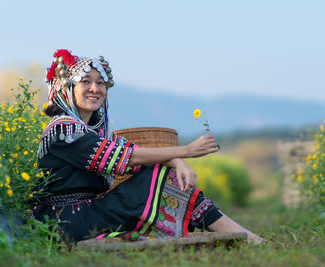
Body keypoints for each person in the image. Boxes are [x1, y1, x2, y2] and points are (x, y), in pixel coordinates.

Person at [32, 49, 262, 244]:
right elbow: (127, 156)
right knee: (162, 182)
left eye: (100, 83)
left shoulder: (92, 131)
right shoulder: (63, 131)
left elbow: (135, 152)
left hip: (88, 213)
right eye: (85, 82)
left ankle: (245, 238)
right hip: (64, 220)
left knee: (165, 178)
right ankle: (248, 239)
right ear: (67, 89)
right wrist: (186, 151)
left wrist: (176, 161)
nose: (95, 89)